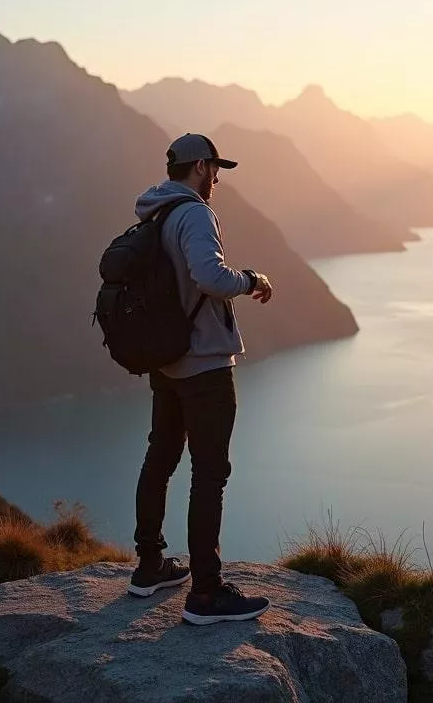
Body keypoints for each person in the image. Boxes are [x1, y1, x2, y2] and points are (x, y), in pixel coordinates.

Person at [126, 133, 274, 625]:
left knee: (160, 457)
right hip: (204, 365)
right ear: (200, 167)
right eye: (215, 169)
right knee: (209, 474)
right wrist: (251, 281)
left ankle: (150, 567)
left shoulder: (158, 211)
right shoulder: (193, 213)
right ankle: (206, 593)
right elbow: (209, 277)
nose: (218, 179)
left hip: (167, 361)